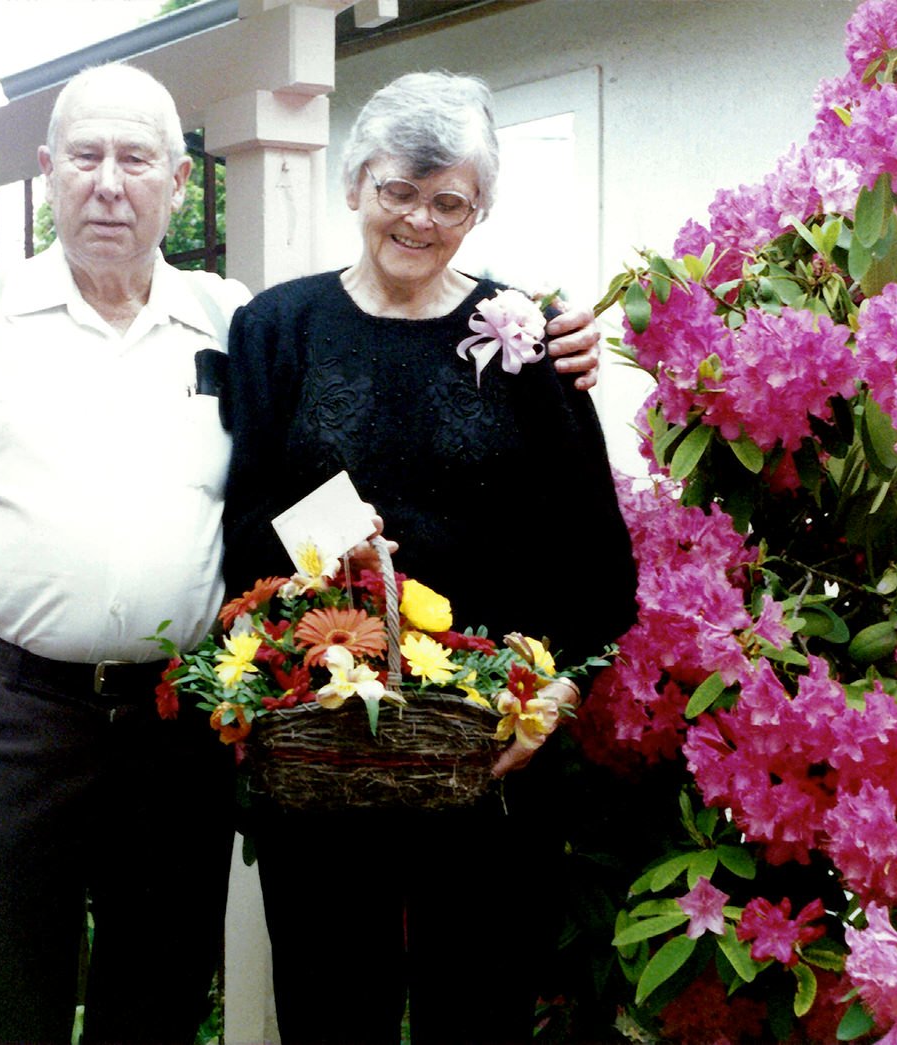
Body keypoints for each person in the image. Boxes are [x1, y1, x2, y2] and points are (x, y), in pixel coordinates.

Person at [0, 63, 604, 1044]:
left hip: (178, 725)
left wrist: (543, 357)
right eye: (85, 156)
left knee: (158, 1005)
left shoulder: (229, 319)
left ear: (179, 182)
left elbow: (309, 498)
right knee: (0, 1007)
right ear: (48, 171)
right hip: (10, 714)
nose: (109, 183)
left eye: (137, 159)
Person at [220, 71, 639, 1044]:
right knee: (331, 1012)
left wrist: (551, 696)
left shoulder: (525, 339)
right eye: (396, 190)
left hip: (488, 754)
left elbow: (599, 565)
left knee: (478, 1013)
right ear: (354, 183)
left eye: (448, 200)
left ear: (478, 209)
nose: (418, 219)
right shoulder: (275, 330)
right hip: (322, 750)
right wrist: (337, 551)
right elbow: (240, 529)